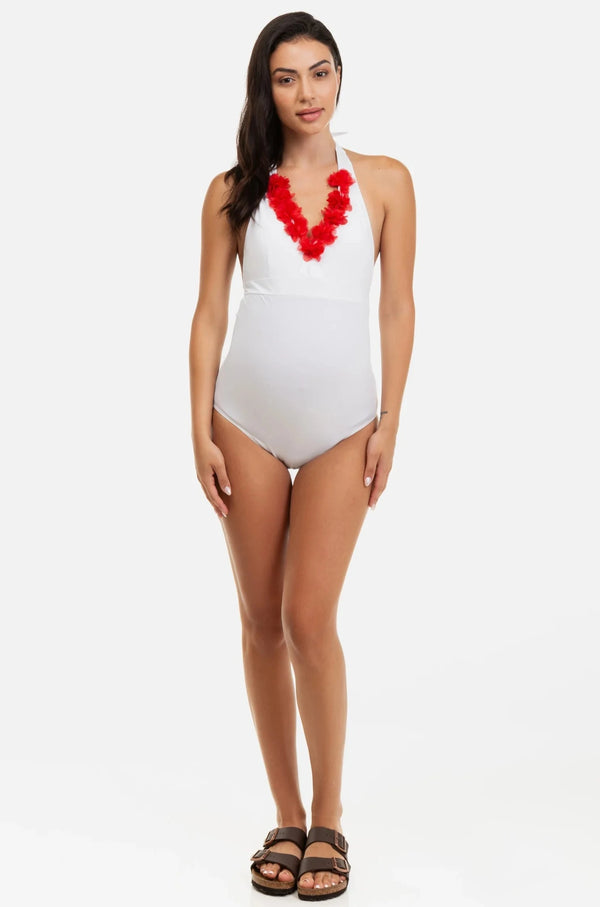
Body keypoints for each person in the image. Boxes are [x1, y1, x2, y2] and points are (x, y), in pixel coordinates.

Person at [189, 10, 415, 900]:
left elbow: (397, 306)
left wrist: (390, 419)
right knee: (260, 620)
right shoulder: (232, 189)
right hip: (244, 420)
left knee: (309, 619)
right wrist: (198, 425)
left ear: (340, 76)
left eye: (321, 72)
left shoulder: (386, 182)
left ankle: (330, 816)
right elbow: (210, 312)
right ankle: (286, 813)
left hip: (343, 426)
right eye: (286, 78)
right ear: (265, 89)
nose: (307, 92)